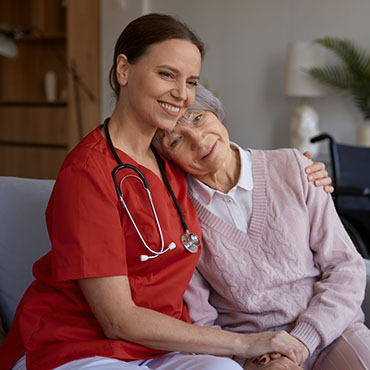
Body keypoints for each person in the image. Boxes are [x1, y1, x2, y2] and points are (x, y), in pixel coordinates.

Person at [0, 13, 331, 370]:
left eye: (191, 81)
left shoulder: (173, 160)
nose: (182, 94)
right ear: (123, 71)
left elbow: (234, 172)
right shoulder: (87, 173)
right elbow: (117, 320)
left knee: (223, 369)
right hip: (77, 347)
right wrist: (246, 344)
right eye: (166, 74)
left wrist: (301, 172)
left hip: (158, 348)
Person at [153, 84, 370, 370]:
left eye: (198, 118)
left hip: (331, 331)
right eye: (175, 140)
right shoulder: (178, 216)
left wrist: (302, 342)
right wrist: (250, 360)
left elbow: (346, 268)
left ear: (216, 113)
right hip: (256, 352)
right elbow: (201, 317)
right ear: (166, 158)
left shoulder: (294, 166)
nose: (198, 139)